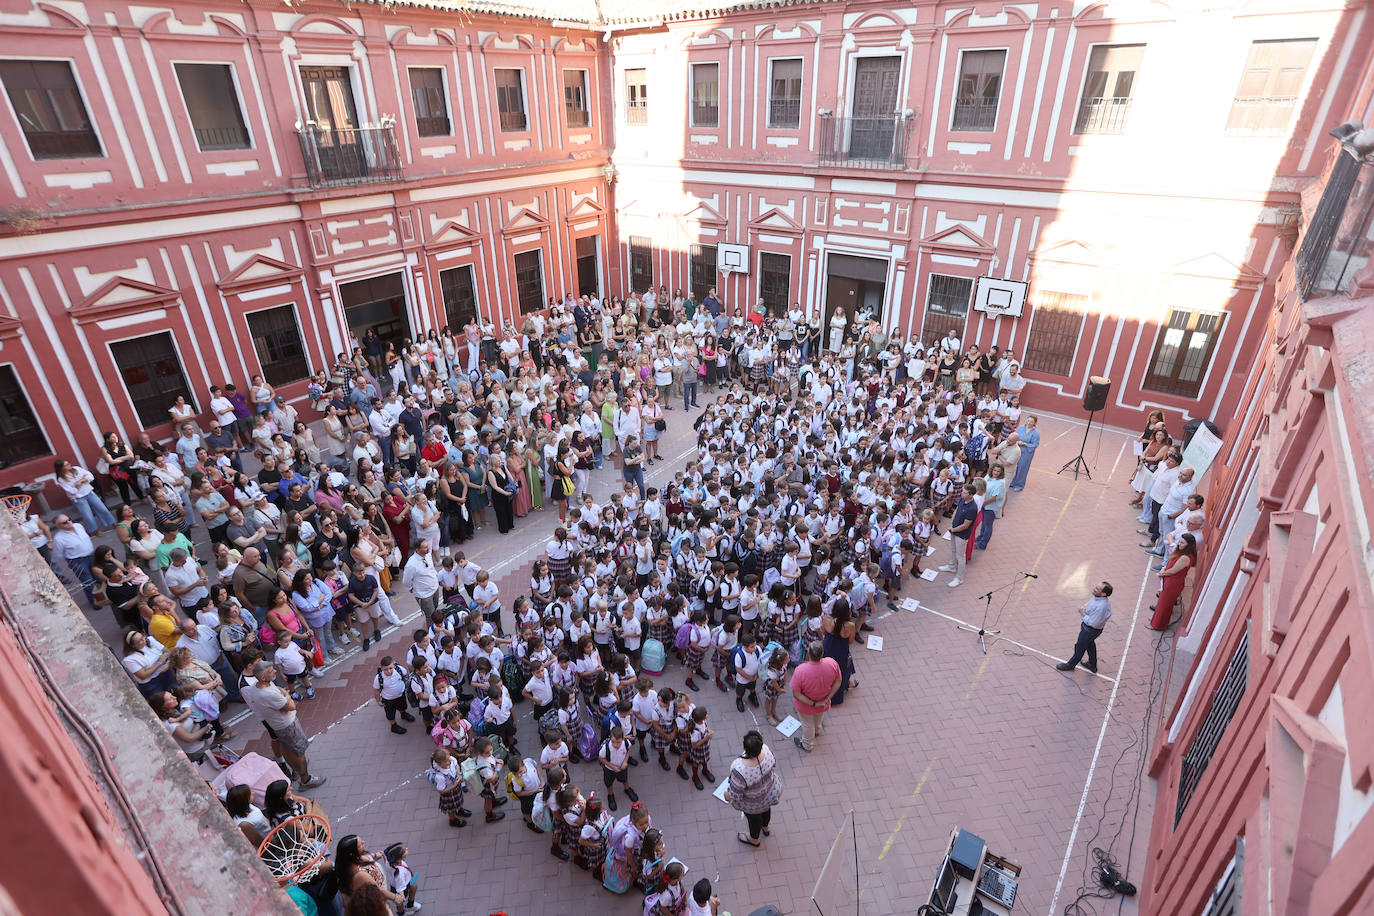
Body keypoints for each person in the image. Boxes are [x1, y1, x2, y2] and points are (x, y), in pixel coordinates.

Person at [241, 660, 325, 788]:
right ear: (263, 677)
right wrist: (286, 694)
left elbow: (280, 701)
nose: (274, 671)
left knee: (286, 748)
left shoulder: (255, 688)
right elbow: (291, 706)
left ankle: (296, 770)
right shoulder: (268, 693)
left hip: (277, 725)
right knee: (300, 753)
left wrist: (282, 698)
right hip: (288, 725)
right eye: (271, 671)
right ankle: (306, 780)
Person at [724, 729, 783, 847]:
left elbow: (735, 794)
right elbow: (774, 764)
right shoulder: (766, 750)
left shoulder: (740, 769)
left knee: (754, 820)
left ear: (745, 748)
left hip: (753, 803)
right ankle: (766, 827)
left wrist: (727, 795)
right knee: (766, 810)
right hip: (770, 792)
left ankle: (754, 839)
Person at [789, 640, 841, 753]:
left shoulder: (800, 670)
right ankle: (817, 730)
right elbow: (838, 681)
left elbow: (796, 694)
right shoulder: (831, 663)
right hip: (823, 702)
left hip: (806, 706)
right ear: (822, 653)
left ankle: (807, 744)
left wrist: (814, 704)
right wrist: (827, 698)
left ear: (808, 653)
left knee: (807, 725)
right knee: (818, 717)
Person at [1057, 582, 1113, 674]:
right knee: (1090, 645)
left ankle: (1071, 664)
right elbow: (1091, 605)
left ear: (1104, 594)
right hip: (1090, 630)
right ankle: (1092, 664)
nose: (1094, 588)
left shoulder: (1101, 607)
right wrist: (1085, 608)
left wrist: (1083, 613)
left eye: (1097, 589)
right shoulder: (1098, 597)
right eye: (1096, 586)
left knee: (1080, 647)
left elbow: (1093, 623)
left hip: (1090, 630)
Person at [1150, 533, 1196, 630]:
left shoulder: (1185, 557)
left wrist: (1162, 573)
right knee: (1162, 603)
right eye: (1180, 541)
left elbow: (1174, 570)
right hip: (1169, 581)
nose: (1179, 544)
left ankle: (1158, 625)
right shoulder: (1181, 553)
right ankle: (1155, 622)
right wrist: (1164, 569)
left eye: (1182, 543)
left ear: (1188, 545)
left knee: (1164, 605)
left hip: (1173, 584)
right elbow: (1169, 565)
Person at [51, 514, 98, 606]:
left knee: (98, 577)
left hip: (92, 556)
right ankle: (94, 602)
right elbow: (58, 554)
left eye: (69, 519)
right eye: (65, 522)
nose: (69, 522)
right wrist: (72, 561)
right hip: (78, 561)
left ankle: (103, 596)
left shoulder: (79, 526)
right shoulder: (58, 539)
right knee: (88, 582)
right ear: (58, 526)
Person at [939, 483, 978, 588]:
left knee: (961, 557)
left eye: (964, 492)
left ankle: (960, 578)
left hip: (961, 534)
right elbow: (956, 511)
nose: (961, 494)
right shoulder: (962, 499)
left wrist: (953, 529)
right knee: (953, 550)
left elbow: (966, 525)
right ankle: (951, 566)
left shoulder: (972, 508)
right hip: (954, 530)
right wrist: (951, 524)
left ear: (971, 495)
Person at [402, 538, 441, 617]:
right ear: (418, 549)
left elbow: (431, 569)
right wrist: (410, 588)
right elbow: (406, 580)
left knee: (435, 609)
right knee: (430, 616)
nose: (428, 548)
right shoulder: (411, 564)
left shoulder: (428, 555)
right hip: (424, 595)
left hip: (435, 588)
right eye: (425, 547)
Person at [1010, 415, 1040, 490]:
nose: (1029, 423)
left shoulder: (1035, 433)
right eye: (1028, 420)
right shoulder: (1021, 428)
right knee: (1014, 467)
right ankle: (1013, 481)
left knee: (1022, 468)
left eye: (1031, 422)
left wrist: (1025, 444)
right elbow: (1014, 436)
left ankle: (1019, 485)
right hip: (1017, 450)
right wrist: (1016, 441)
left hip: (1027, 453)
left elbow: (1035, 444)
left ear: (1035, 423)